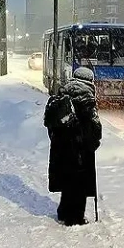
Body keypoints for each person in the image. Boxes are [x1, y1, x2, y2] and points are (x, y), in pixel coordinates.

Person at [43, 67, 102, 226]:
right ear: (90, 81)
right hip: (80, 150)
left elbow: (51, 125)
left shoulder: (61, 94)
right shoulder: (87, 99)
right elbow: (94, 128)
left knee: (67, 182)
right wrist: (92, 143)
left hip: (61, 149)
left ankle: (63, 212)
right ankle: (75, 218)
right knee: (79, 185)